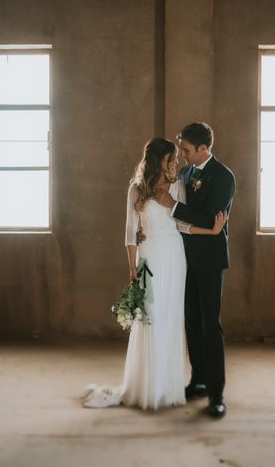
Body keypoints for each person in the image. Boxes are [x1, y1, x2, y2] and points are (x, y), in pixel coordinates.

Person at [82, 137, 226, 410]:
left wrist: (212, 230)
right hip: (150, 258)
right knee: (152, 319)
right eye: (170, 157)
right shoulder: (136, 189)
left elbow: (183, 225)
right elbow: (129, 234)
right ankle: (146, 387)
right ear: (157, 159)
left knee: (171, 319)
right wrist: (132, 269)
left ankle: (168, 388)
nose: (175, 162)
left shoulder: (179, 185)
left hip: (175, 258)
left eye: (176, 157)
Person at [155, 122, 236, 419]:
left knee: (210, 325)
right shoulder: (187, 174)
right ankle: (198, 379)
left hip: (210, 260)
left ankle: (217, 393)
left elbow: (208, 218)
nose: (183, 155)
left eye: (187, 150)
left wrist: (173, 206)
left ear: (204, 148)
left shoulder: (224, 177)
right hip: (183, 259)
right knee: (191, 320)